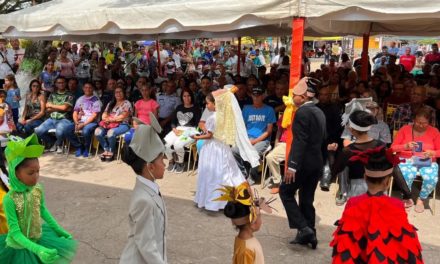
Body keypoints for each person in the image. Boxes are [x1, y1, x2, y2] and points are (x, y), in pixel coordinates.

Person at [330, 146, 423, 264]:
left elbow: (345, 241)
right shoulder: (397, 205)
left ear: (365, 177)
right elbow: (402, 244)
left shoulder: (353, 202)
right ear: (388, 182)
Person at [0, 134, 77, 263]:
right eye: (30, 173)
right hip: (19, 247)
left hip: (38, 238)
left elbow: (43, 210)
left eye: (38, 171)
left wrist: (58, 230)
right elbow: (15, 233)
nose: (36, 177)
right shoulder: (10, 199)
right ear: (15, 173)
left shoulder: (37, 189)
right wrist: (37, 249)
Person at [193, 86, 259, 211]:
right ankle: (239, 196)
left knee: (212, 173)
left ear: (215, 103)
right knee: (228, 172)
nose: (206, 106)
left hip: (212, 148)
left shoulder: (213, 117)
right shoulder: (225, 116)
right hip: (222, 147)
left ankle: (214, 200)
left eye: (208, 103)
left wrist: (197, 136)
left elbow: (210, 135)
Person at [280, 77, 326, 249]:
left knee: (285, 191)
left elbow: (300, 141)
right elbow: (322, 139)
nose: (293, 96)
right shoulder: (319, 111)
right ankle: (310, 234)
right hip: (316, 163)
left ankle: (304, 228)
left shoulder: (302, 113)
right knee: (307, 198)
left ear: (305, 96)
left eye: (296, 94)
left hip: (302, 163)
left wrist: (292, 166)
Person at [119, 114, 168, 264]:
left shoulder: (149, 188)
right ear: (150, 166)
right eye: (161, 159)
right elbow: (147, 246)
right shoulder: (144, 200)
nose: (165, 163)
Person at [391, 106, 440, 213]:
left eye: (424, 123)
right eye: (418, 122)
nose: (421, 125)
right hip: (406, 158)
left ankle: (421, 199)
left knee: (431, 177)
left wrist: (433, 153)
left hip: (427, 160)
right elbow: (393, 148)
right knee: (405, 174)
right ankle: (407, 197)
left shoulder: (434, 131)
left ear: (429, 122)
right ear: (414, 120)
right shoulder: (405, 129)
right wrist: (405, 146)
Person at [332, 110, 386, 206]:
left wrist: (332, 151)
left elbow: (335, 170)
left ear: (351, 129)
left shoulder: (348, 151)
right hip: (379, 189)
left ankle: (342, 194)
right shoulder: (381, 146)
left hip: (358, 191)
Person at [218, 182, 273, 264]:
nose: (261, 221)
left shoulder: (242, 241)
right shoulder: (247, 249)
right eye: (259, 216)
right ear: (253, 222)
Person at [232, 86, 276, 184]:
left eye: (258, 96)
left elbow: (268, 131)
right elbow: (241, 127)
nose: (256, 98)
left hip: (262, 140)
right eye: (254, 95)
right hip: (247, 138)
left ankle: (252, 176)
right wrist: (245, 140)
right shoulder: (246, 108)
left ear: (263, 96)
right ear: (251, 96)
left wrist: (254, 141)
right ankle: (242, 174)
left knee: (254, 152)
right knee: (234, 150)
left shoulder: (269, 110)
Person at [164, 89, 201, 173]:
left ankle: (180, 163)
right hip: (177, 129)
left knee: (178, 144)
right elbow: (173, 121)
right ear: (182, 97)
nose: (187, 98)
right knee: (166, 143)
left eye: (189, 96)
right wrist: (174, 129)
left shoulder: (196, 109)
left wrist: (186, 132)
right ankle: (171, 161)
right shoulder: (179, 107)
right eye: (184, 96)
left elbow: (198, 124)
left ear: (191, 97)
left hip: (191, 130)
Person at [34, 76, 74, 154]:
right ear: (55, 84)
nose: (61, 84)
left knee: (59, 132)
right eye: (59, 83)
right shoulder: (52, 94)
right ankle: (54, 142)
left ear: (65, 83)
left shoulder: (69, 95)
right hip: (52, 119)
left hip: (64, 119)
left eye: (63, 82)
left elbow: (64, 108)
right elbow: (47, 108)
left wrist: (52, 106)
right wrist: (61, 108)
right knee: (38, 131)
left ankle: (58, 145)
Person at [95, 86, 132, 162]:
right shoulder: (111, 103)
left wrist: (110, 119)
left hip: (123, 124)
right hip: (108, 124)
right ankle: (106, 149)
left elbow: (122, 117)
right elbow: (104, 114)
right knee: (97, 132)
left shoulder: (127, 103)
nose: (118, 93)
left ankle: (111, 151)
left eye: (120, 92)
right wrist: (105, 119)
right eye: (116, 92)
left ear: (124, 93)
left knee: (110, 133)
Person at [66, 82, 102, 158]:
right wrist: (76, 122)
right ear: (83, 88)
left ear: (92, 89)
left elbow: (94, 116)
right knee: (67, 129)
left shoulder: (96, 100)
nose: (87, 89)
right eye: (86, 87)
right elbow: (75, 112)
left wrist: (83, 124)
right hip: (80, 121)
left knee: (86, 131)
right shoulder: (80, 99)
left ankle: (87, 148)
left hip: (92, 122)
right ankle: (79, 146)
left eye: (90, 87)